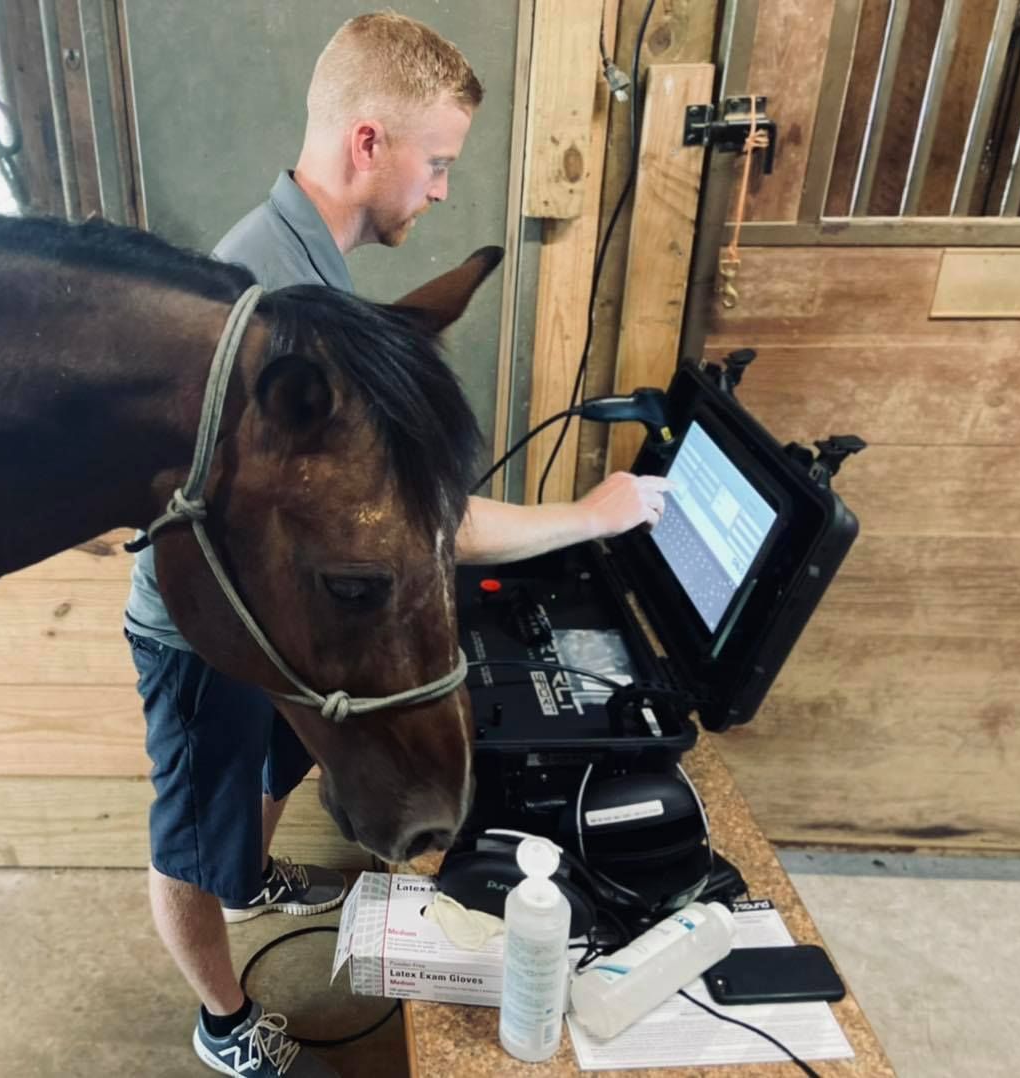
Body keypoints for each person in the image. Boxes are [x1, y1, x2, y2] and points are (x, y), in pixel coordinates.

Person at [124, 13, 672, 1077]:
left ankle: (255, 873)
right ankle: (223, 1021)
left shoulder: (309, 265)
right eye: (437, 163)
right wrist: (592, 515)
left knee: (280, 757)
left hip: (279, 621)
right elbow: (416, 521)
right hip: (207, 631)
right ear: (368, 142)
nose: (439, 191)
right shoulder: (269, 297)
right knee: (189, 833)